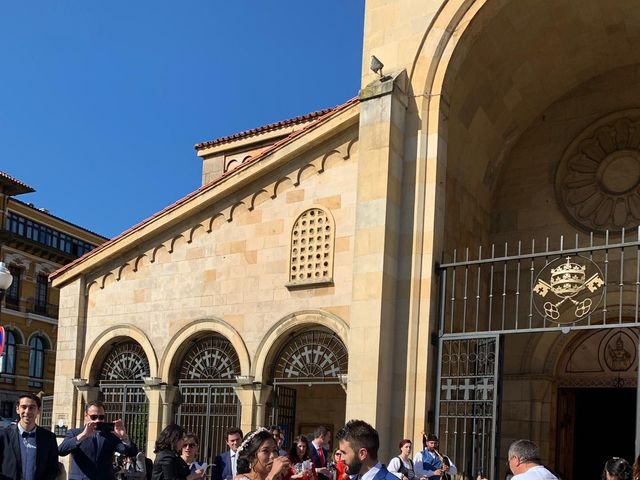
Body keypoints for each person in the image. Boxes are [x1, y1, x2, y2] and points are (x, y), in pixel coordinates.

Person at [59, 400, 139, 480]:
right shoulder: (75, 433)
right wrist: (83, 435)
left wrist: (124, 437)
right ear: (86, 416)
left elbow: (131, 452)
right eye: (93, 417)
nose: (97, 420)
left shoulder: (110, 434)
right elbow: (61, 451)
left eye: (101, 417)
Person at [0, 393, 59, 480]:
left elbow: (53, 468)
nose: (27, 411)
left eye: (32, 407)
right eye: (24, 407)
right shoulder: (3, 435)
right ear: (17, 409)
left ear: (38, 411)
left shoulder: (49, 438)